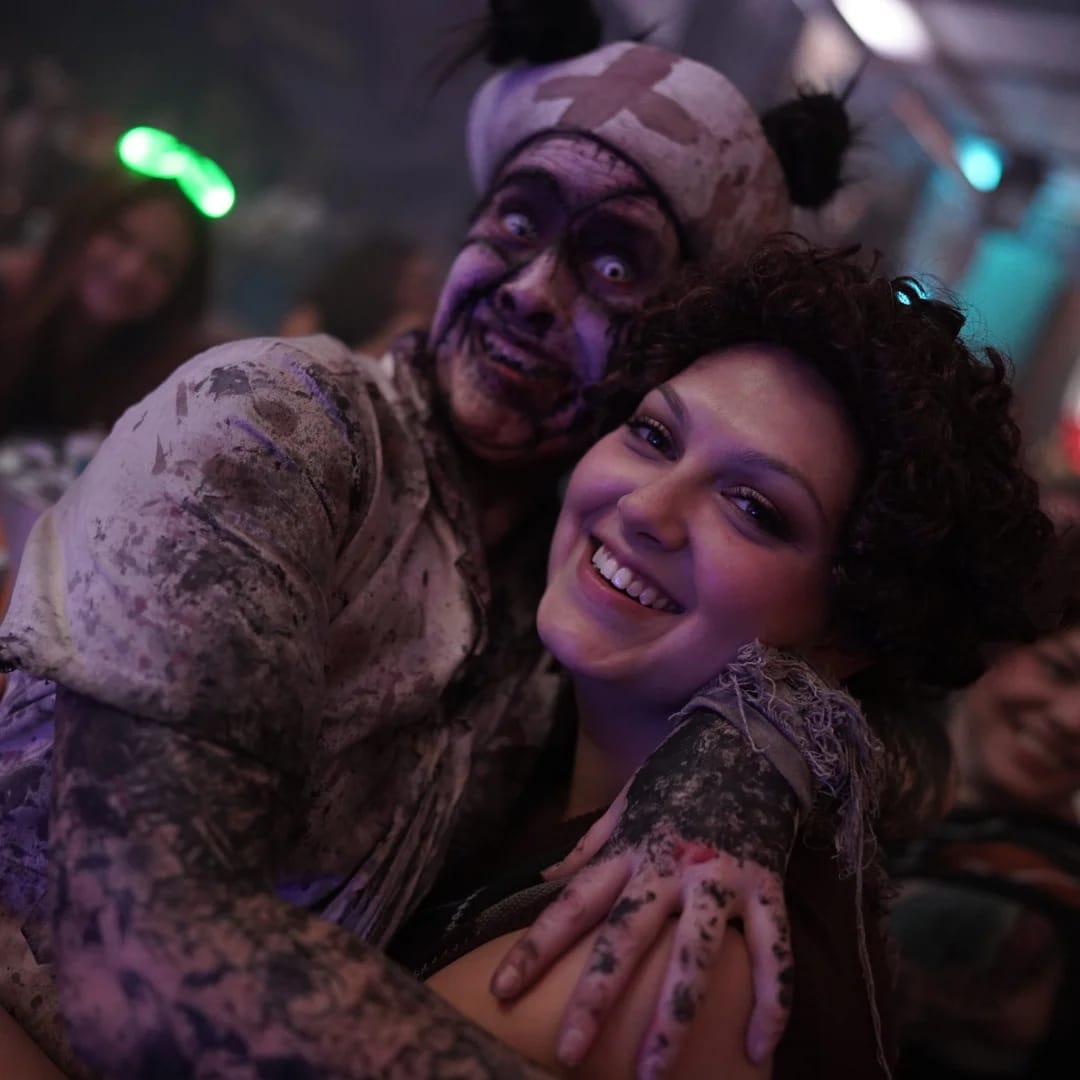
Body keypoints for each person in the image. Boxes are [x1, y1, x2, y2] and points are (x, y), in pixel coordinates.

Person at [0, 10, 860, 1078]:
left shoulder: (570, 583)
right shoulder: (276, 424)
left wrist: (747, 764)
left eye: (612, 265)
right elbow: (137, 950)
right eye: (516, 222)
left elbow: (901, 720)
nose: (532, 292)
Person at [380, 237, 1051, 1078]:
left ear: (850, 631)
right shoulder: (522, 736)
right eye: (654, 434)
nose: (648, 508)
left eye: (753, 507)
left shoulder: (676, 945)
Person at [891, 524, 1080, 1079]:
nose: (1073, 720)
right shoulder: (885, 797)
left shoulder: (1036, 898)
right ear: (998, 644)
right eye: (1060, 670)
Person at [0, 165, 211, 436]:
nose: (129, 271)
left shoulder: (161, 386)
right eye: (121, 237)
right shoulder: (7, 293)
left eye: (161, 264)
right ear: (82, 227)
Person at [278, 230, 440, 357]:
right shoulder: (312, 315)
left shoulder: (428, 325)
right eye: (421, 283)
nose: (430, 293)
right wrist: (389, 341)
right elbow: (292, 366)